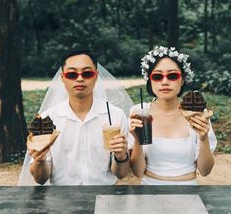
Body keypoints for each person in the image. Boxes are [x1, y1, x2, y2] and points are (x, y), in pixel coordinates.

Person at [18, 49, 133, 185]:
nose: (80, 78)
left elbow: (122, 174)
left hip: (104, 196)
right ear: (63, 78)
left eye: (87, 73)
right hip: (61, 200)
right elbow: (40, 179)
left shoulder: (114, 116)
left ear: (96, 76)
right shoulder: (46, 120)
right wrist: (40, 161)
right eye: (72, 74)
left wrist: (121, 156)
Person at [129, 46, 217, 185]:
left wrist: (203, 138)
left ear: (182, 80)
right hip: (150, 190)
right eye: (157, 76)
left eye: (172, 76)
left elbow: (205, 171)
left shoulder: (197, 113)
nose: (165, 82)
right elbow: (138, 172)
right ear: (149, 80)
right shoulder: (140, 112)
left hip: (188, 191)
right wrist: (137, 140)